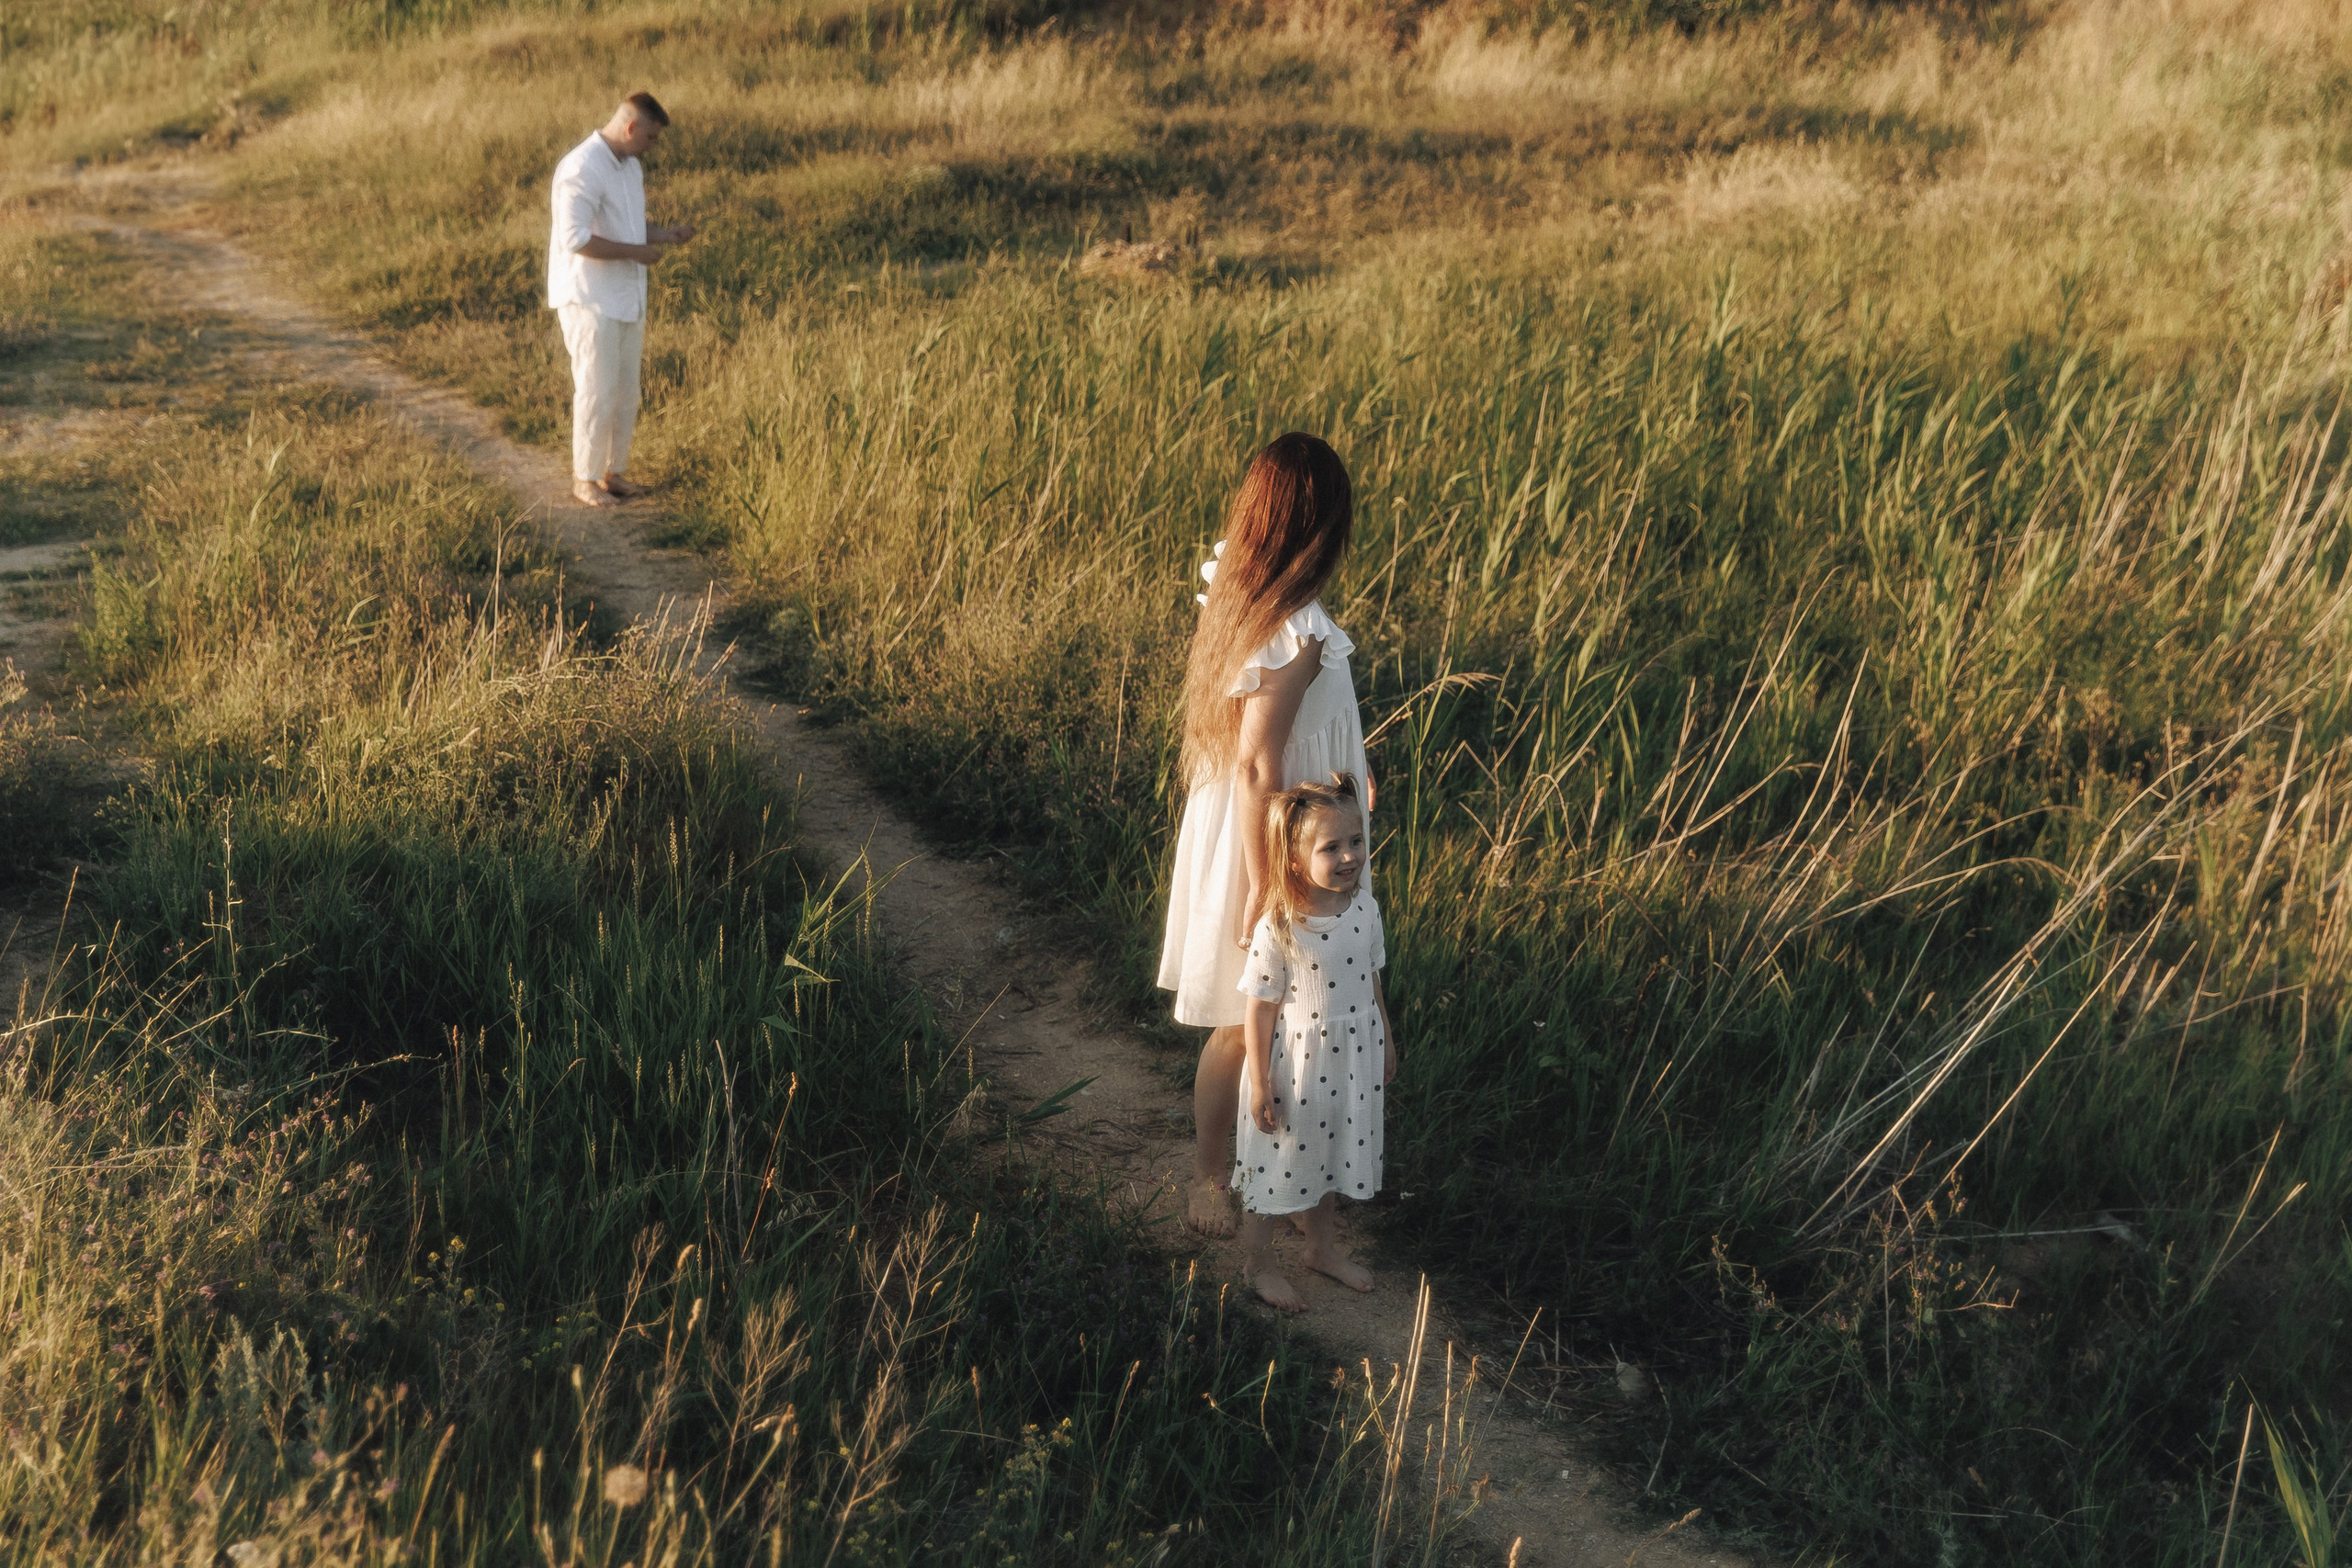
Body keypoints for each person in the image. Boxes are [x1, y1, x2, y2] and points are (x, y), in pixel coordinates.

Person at [1158, 432, 1375, 1241]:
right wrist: (1263, 889)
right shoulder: (1300, 626)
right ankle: (1211, 1173)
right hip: (1275, 843)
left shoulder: (1245, 589)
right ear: (1324, 530)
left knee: (1289, 1022)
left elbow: (1290, 740)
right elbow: (1256, 765)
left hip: (1288, 824)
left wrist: (1355, 771)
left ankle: (1274, 1176)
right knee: (1240, 1018)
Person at [1233, 773, 1395, 1311]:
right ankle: (1258, 1262)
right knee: (1273, 1161)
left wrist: (1386, 1043)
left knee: (1329, 1154)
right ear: (1297, 859)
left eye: (1356, 842)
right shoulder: (1278, 926)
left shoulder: (1365, 910)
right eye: (1332, 847)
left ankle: (1321, 1249)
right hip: (1294, 1070)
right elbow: (1258, 1008)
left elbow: (1372, 983)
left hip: (1350, 1062)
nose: (1349, 856)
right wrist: (1260, 1081)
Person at [547, 91, 697, 509]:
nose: (652, 147)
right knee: (596, 388)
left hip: (626, 295)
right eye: (650, 138)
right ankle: (585, 478)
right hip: (588, 298)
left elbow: (628, 225)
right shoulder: (581, 167)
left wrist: (665, 234)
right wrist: (636, 252)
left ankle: (613, 472)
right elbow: (575, 239)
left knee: (626, 389)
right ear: (631, 127)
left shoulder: (630, 168)